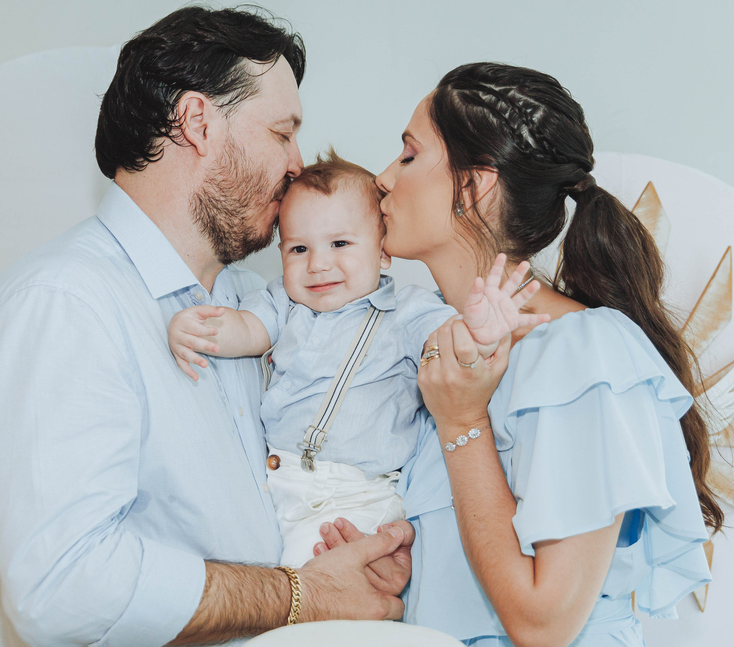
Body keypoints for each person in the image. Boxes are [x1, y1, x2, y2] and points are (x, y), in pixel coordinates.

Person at [0, 9, 411, 647]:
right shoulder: (67, 302)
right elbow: (61, 584)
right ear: (199, 122)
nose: (298, 163)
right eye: (282, 133)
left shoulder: (256, 306)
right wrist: (303, 596)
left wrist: (350, 550)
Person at [318, 63, 727, 647]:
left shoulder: (582, 351)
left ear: (473, 186)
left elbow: (542, 619)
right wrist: (404, 577)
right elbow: (483, 557)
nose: (382, 177)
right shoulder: (438, 358)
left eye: (409, 154)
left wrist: (464, 423)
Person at [168, 150, 507, 568]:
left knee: (305, 585)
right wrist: (200, 328)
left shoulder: (406, 313)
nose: (318, 264)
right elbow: (247, 331)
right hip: (280, 484)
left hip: (355, 497)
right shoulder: (282, 303)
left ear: (382, 254)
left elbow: (449, 345)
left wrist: (481, 330)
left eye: (340, 244)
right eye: (298, 249)